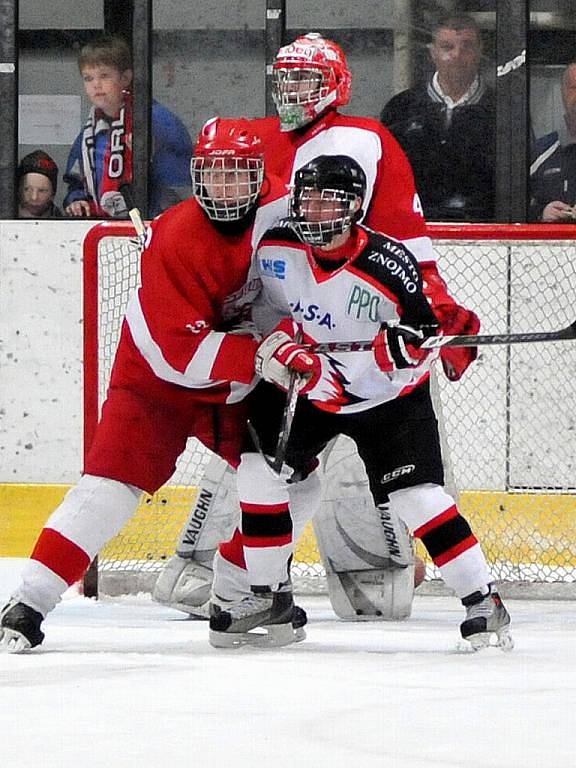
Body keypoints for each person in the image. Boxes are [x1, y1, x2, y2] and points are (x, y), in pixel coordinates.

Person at [155, 32, 475, 622]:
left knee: (361, 446)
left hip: (350, 326)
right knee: (260, 456)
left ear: (334, 85)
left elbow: (404, 237)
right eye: (286, 80)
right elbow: (222, 207)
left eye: (306, 80)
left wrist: (434, 305)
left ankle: (368, 568)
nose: (293, 93)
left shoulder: (361, 139)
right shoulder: (263, 138)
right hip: (275, 328)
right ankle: (229, 578)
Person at [0, 117, 305, 653]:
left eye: (238, 175)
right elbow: (177, 353)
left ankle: (236, 595)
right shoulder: (178, 237)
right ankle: (28, 602)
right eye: (213, 174)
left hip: (232, 385)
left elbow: (301, 296)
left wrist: (287, 339)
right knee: (108, 492)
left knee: (298, 477)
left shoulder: (284, 217)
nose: (224, 188)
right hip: (153, 384)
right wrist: (259, 354)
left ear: (261, 178)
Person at [207, 154, 513, 652]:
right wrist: (281, 347)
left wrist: (404, 353)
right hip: (311, 387)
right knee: (256, 466)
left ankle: (483, 601)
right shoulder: (277, 249)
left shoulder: (389, 267)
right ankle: (270, 596)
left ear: (353, 206)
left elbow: (434, 337)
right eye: (307, 198)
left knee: (417, 498)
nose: (314, 210)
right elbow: (265, 316)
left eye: (328, 200)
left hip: (387, 398)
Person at [380, 15, 495, 221]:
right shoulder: (401, 108)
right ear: (433, 53)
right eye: (447, 47)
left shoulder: (503, 109)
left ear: (480, 51)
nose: (457, 55)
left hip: (486, 230)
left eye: (467, 46)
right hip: (414, 229)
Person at [63, 35, 192, 219]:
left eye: (104, 76)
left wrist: (148, 160)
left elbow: (180, 183)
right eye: (88, 78)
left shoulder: (156, 120)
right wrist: (76, 200)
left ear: (125, 78)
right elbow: (75, 181)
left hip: (152, 227)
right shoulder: (89, 132)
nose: (96, 85)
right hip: (103, 227)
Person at [531, 61, 576, 222]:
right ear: (563, 93)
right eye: (574, 88)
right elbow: (516, 210)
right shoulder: (538, 154)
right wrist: (542, 215)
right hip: (549, 245)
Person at [17, 150, 62, 218]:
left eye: (42, 191)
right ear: (18, 190)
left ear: (52, 194)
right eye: (27, 189)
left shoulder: (65, 223)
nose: (34, 197)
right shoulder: (4, 218)